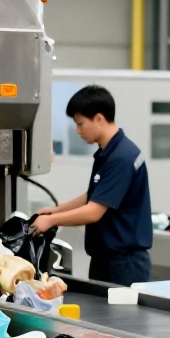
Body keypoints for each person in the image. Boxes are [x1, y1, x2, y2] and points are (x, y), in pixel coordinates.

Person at [31, 84, 152, 286]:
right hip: (108, 259)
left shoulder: (121, 157)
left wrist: (52, 221)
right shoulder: (109, 152)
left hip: (123, 265)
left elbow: (93, 212)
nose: (78, 131)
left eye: (80, 124)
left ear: (99, 118)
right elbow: (95, 195)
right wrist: (55, 210)